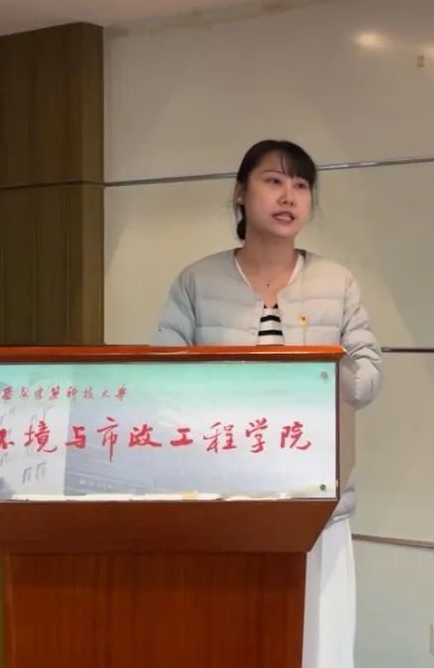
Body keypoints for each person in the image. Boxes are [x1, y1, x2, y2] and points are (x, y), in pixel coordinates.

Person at [152, 138, 382, 668]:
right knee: (228, 639)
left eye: (301, 185)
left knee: (317, 644)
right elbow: (162, 378)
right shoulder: (196, 281)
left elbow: (368, 377)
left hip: (316, 501)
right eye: (273, 181)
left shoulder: (336, 282)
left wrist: (324, 374)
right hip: (222, 499)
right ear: (240, 193)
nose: (288, 196)